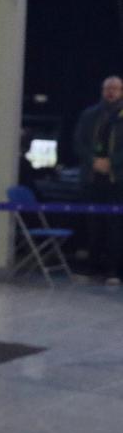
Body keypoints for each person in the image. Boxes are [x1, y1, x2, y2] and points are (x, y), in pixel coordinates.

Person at [73, 75, 123, 283]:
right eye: (107, 88)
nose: (110, 92)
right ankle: (92, 268)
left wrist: (111, 162)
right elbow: (78, 143)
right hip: (92, 178)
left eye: (115, 88)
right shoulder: (90, 115)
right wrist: (93, 161)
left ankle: (113, 271)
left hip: (117, 180)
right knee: (93, 224)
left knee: (115, 227)